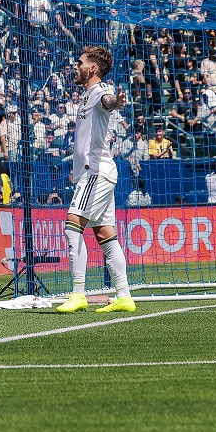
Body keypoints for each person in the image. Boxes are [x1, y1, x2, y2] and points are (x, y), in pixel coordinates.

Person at [55, 46, 134, 314]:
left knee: (72, 226)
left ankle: (78, 293)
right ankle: (124, 296)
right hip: (95, 172)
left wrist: (116, 102)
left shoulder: (99, 92)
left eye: (80, 63)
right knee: (105, 234)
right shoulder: (88, 95)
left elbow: (108, 102)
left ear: (92, 69)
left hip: (97, 171)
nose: (76, 66)